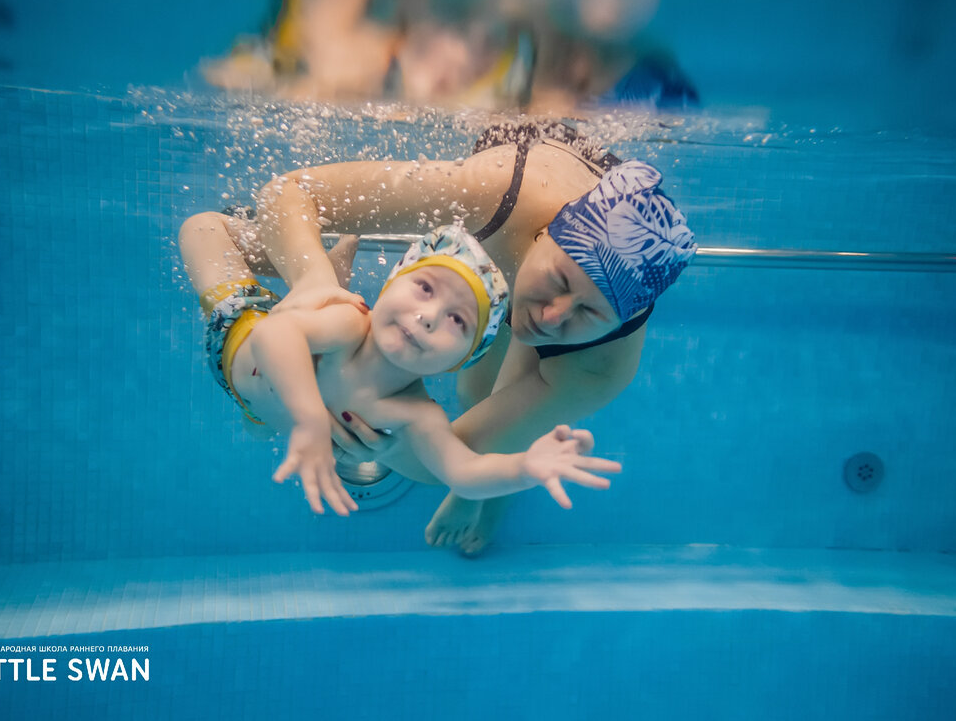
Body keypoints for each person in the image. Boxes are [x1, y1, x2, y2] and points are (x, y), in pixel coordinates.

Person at [229, 121, 695, 553]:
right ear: (544, 234)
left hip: (578, 333)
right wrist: (314, 279)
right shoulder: (501, 191)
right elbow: (289, 191)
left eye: (588, 311)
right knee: (474, 387)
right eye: (558, 280)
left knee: (495, 432)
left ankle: (492, 498)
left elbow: (450, 456)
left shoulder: (599, 365)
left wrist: (391, 442)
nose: (553, 317)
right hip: (533, 163)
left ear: (616, 322)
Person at [178, 219, 623, 517]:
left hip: (260, 407)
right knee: (201, 228)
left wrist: (525, 467)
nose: (429, 316)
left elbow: (464, 475)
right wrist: (311, 421)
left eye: (457, 320)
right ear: (391, 283)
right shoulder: (351, 325)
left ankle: (333, 273)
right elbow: (275, 337)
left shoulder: (417, 414)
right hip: (237, 329)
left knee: (257, 424)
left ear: (461, 360)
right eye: (425, 287)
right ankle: (320, 277)